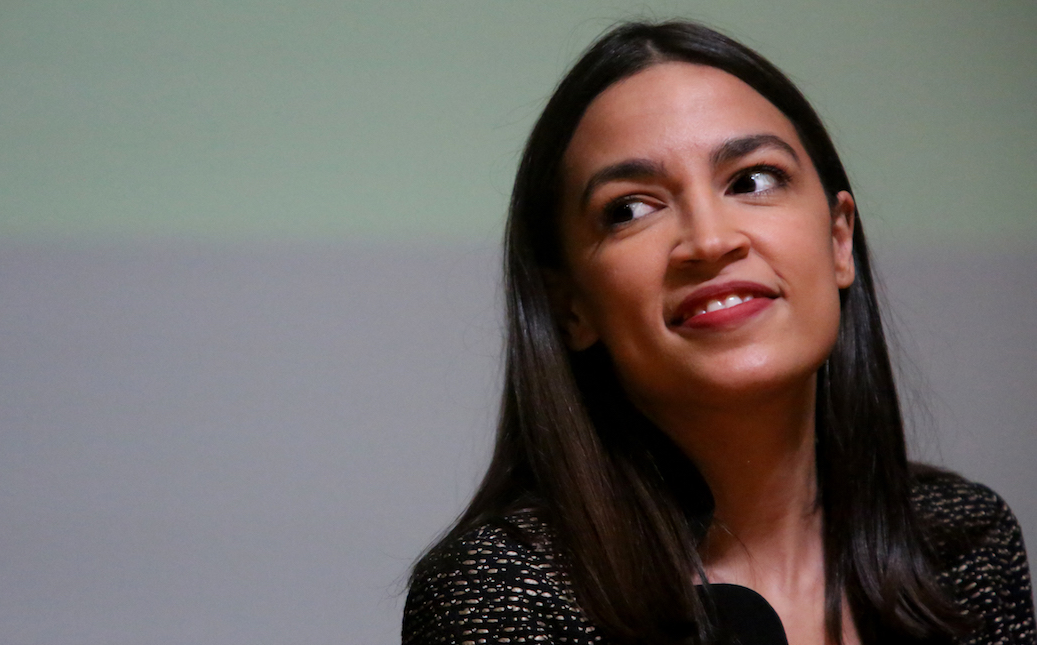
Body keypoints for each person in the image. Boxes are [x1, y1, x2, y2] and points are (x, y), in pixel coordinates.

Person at [402, 21, 1034, 645]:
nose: (709, 241)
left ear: (839, 240)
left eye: (752, 180)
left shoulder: (963, 541)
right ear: (571, 307)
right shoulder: (501, 591)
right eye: (631, 209)